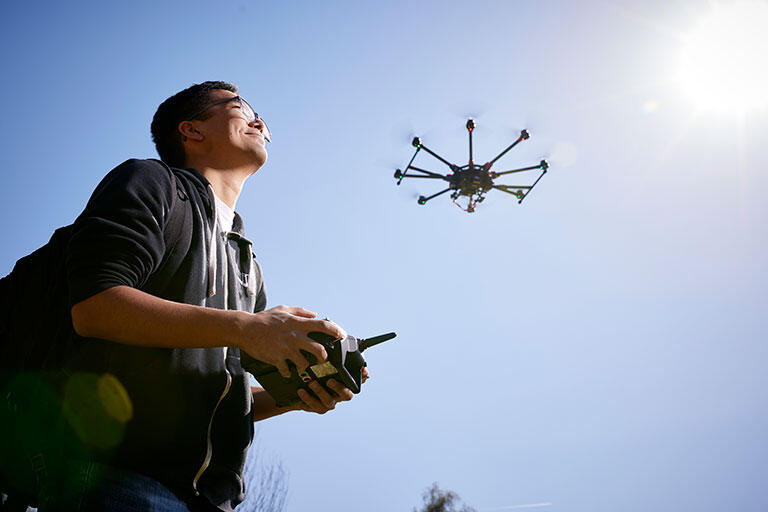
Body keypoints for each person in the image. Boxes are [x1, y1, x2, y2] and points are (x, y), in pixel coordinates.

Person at [30, 81, 364, 511]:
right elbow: (96, 307)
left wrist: (293, 397)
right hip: (113, 477)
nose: (260, 121)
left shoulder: (248, 265)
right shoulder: (151, 182)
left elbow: (223, 392)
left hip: (208, 500)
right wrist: (247, 328)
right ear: (191, 131)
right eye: (241, 108)